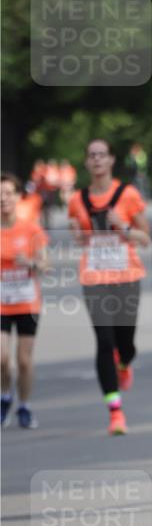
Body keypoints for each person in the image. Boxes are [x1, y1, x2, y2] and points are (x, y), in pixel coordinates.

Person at [68, 139, 150, 435]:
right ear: (87, 163)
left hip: (127, 276)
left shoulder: (127, 194)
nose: (97, 160)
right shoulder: (78, 199)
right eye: (92, 156)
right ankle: (115, 413)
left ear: (111, 160)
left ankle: (125, 363)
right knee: (104, 342)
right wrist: (80, 235)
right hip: (94, 278)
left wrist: (123, 226)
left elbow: (145, 238)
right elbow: (75, 233)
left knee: (125, 342)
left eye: (102, 154)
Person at [1, 173, 49, 429]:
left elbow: (46, 265)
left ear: (18, 197)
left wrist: (29, 262)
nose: (3, 199)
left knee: (23, 360)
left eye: (8, 193)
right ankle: (5, 396)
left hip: (27, 302)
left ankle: (24, 406)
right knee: (1, 358)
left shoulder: (31, 229)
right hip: (1, 304)